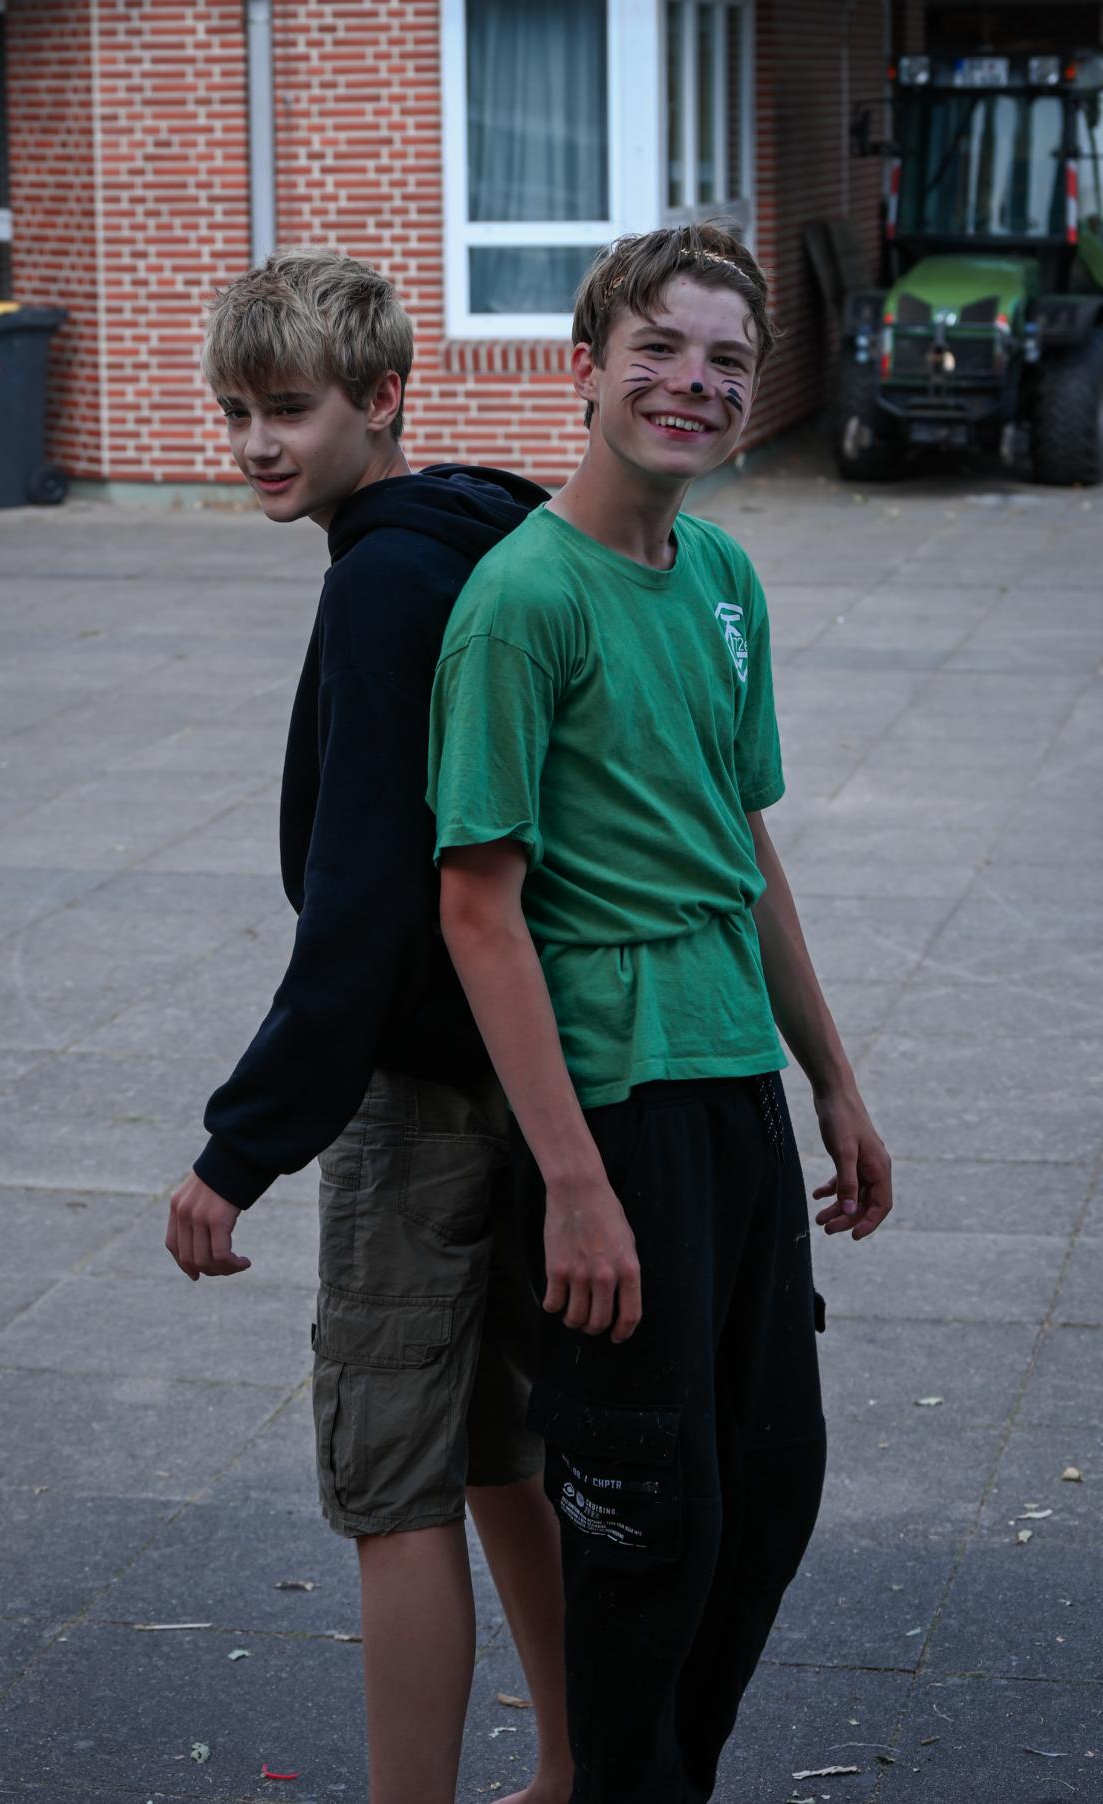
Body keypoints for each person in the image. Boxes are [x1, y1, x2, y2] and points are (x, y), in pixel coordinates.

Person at [428, 223, 894, 1803]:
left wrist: (833, 1080)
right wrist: (571, 1183)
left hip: (734, 1082)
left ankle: (653, 1781)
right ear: (588, 370)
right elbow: (478, 909)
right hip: (614, 1107)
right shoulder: (520, 601)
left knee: (771, 1486)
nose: (696, 382)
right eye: (662, 349)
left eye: (727, 359)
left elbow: (740, 847)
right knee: (647, 1519)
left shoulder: (725, 580)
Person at [163, 247, 572, 1804]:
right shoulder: (490, 532)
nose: (255, 443)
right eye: (236, 413)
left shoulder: (383, 582)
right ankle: (570, 1768)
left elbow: (363, 908)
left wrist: (241, 1148)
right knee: (501, 1455)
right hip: (531, 1065)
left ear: (382, 398)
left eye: (288, 410)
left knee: (394, 1486)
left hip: (426, 1088)